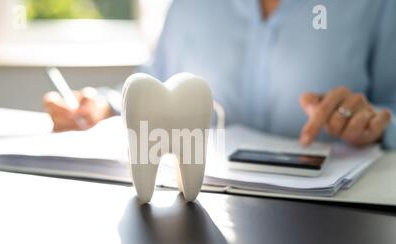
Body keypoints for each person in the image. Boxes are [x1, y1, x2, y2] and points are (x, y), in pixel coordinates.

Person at [43, 0, 396, 149]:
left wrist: (376, 123)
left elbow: (390, 111)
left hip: (331, 222)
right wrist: (105, 107)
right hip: (201, 209)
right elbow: (158, 82)